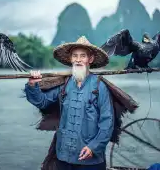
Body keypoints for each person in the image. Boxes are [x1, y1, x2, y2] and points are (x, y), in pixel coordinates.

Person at [24, 36, 114, 170]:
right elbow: (42, 102)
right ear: (70, 59)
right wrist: (32, 85)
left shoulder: (99, 87)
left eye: (83, 56)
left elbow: (107, 122)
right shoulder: (65, 85)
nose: (78, 60)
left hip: (91, 160)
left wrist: (93, 147)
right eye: (75, 56)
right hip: (64, 157)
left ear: (90, 59)